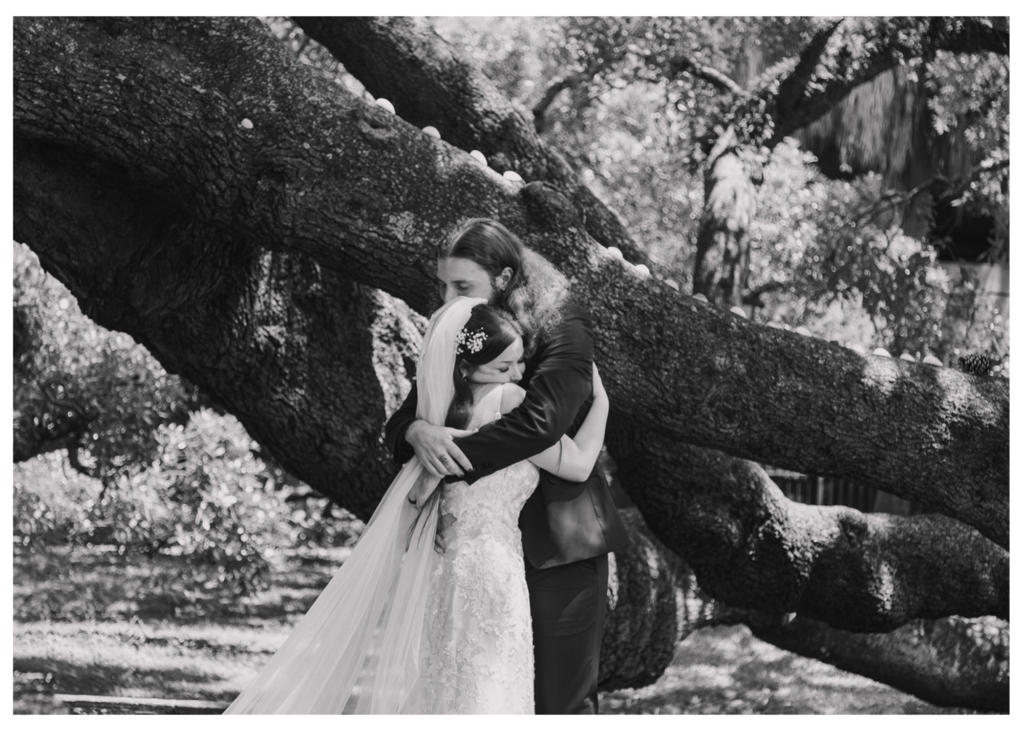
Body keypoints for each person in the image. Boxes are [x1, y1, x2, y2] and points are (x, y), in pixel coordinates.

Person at [225, 296, 610, 714]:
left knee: (452, 684)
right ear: (466, 367)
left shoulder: (442, 417)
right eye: (504, 366)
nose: (518, 375)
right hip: (493, 570)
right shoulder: (511, 404)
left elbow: (421, 484)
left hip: (450, 570)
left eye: (519, 363)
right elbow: (577, 464)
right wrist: (602, 403)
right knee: (491, 688)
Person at [385, 218, 630, 714]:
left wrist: (445, 466)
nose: (448, 297)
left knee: (560, 707)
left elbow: (539, 422)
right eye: (443, 285)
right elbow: (407, 417)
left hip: (558, 546)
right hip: (476, 552)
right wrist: (418, 432)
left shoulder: (563, 321)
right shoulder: (467, 333)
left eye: (461, 286)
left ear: (502, 278)